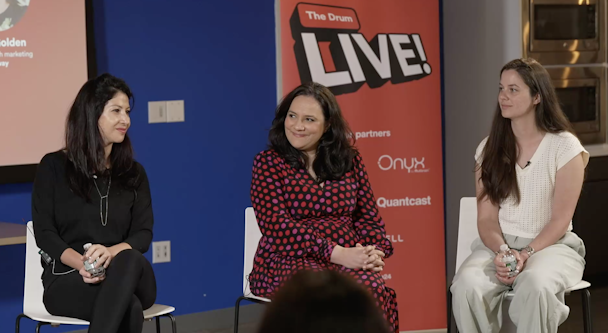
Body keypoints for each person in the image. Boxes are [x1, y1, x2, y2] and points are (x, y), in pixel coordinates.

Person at [450, 58, 588, 333]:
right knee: (466, 285)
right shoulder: (488, 149)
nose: (503, 96)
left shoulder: (565, 147)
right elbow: (487, 219)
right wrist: (503, 252)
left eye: (514, 90)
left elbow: (560, 220)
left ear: (537, 96)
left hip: (552, 246)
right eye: (502, 88)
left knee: (536, 285)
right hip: (498, 247)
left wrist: (525, 254)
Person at [249, 81, 398, 332]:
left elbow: (368, 216)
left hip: (347, 255)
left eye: (309, 119)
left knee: (370, 289)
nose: (297, 126)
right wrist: (336, 253)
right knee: (319, 296)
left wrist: (373, 251)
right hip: (289, 257)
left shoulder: (350, 160)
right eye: (292, 116)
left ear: (327, 125)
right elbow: (276, 226)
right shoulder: (268, 164)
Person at [32, 73, 157, 333]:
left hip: (129, 275)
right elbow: (45, 234)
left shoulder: (134, 173)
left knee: (130, 259)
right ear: (92, 114)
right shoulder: (53, 167)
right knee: (130, 308)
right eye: (116, 111)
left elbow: (143, 235)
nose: (126, 120)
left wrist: (110, 253)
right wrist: (84, 265)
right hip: (68, 279)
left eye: (127, 111)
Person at [257, 270, 391, 333]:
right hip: (293, 257)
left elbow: (371, 227)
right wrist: (336, 252)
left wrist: (371, 253)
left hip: (351, 258)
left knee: (373, 284)